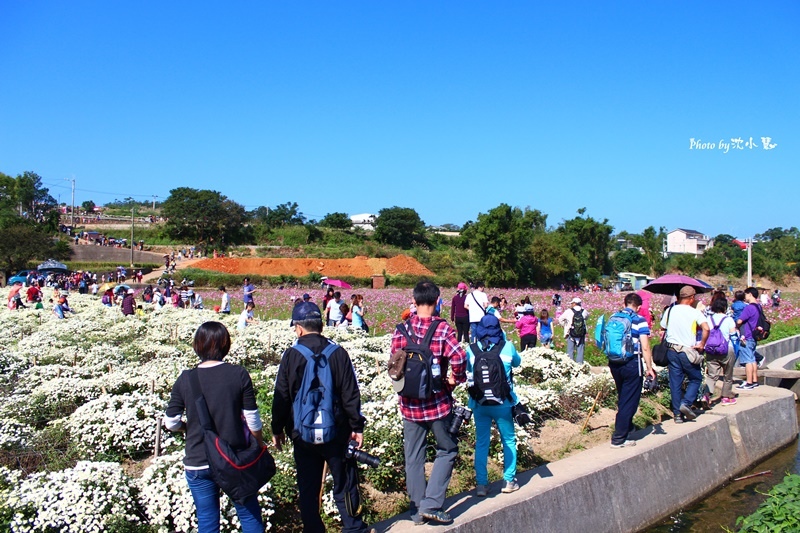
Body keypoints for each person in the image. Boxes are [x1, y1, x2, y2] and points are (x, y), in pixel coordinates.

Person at [271, 302, 375, 533]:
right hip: (336, 431)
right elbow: (350, 394)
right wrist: (356, 426)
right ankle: (353, 528)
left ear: (298, 328)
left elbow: (282, 396)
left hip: (302, 434)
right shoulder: (338, 353)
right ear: (321, 326)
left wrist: (277, 428)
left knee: (308, 488)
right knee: (345, 484)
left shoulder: (291, 355)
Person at [163, 322, 265, 533]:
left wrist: (187, 428)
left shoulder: (186, 379)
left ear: (197, 346)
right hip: (234, 460)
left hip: (198, 461)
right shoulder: (238, 374)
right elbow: (252, 419)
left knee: (208, 522)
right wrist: (258, 444)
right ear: (225, 345)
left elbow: (170, 422)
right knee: (248, 514)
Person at [390, 281, 467, 525]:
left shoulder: (401, 329)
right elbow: (459, 356)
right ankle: (431, 504)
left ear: (414, 300)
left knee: (413, 457)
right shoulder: (442, 329)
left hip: (409, 406)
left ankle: (416, 511)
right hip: (437, 404)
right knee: (448, 449)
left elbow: (393, 363)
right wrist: (456, 378)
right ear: (436, 301)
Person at [467, 314, 521, 496]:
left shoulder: (471, 349)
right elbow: (517, 363)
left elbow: (468, 369)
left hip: (479, 402)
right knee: (509, 439)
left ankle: (481, 484)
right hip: (503, 402)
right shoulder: (508, 347)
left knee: (482, 442)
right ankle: (509, 480)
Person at [608, 293, 656, 448]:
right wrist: (650, 368)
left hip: (614, 362)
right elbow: (646, 347)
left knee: (623, 396)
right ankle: (619, 438)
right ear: (639, 306)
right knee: (630, 400)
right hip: (631, 363)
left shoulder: (613, 317)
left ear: (625, 303)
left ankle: (627, 427)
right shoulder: (639, 321)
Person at [661, 285, 709, 423]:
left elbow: (663, 326)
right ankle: (686, 403)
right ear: (692, 298)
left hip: (671, 350)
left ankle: (677, 415)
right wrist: (702, 344)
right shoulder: (694, 312)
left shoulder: (670, 310)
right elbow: (706, 328)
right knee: (696, 378)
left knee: (675, 382)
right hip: (687, 351)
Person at [704, 297, 737, 406]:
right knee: (728, 375)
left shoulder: (708, 319)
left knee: (712, 375)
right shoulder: (728, 319)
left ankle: (706, 395)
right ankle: (726, 397)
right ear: (724, 307)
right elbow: (733, 336)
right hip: (726, 349)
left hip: (710, 349)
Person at [736, 287, 763, 390]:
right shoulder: (758, 307)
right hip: (754, 336)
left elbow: (739, 321)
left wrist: (737, 326)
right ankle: (755, 380)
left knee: (747, 360)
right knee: (752, 359)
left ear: (750, 294)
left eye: (746, 294)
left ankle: (749, 382)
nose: (745, 297)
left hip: (747, 336)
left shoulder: (749, 308)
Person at [558, 298, 589, 364]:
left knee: (570, 350)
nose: (571, 304)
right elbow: (587, 317)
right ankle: (579, 365)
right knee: (580, 350)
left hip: (571, 333)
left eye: (572, 303)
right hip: (581, 334)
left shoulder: (568, 311)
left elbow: (560, 319)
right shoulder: (584, 311)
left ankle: (570, 366)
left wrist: (565, 325)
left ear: (574, 303)